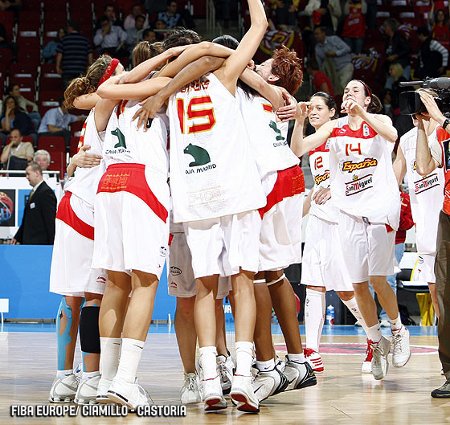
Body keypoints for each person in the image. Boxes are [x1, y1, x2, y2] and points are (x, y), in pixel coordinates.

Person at [291, 79, 411, 381]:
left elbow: (393, 134)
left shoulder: (379, 120)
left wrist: (362, 114)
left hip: (380, 208)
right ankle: (375, 341)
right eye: (346, 90)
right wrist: (299, 121)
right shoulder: (335, 128)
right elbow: (299, 148)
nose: (349, 93)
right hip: (349, 212)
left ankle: (398, 330)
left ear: (367, 99)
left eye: (356, 90)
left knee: (376, 279)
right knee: (357, 285)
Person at [48, 55, 125, 405]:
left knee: (75, 298)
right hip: (85, 208)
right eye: (121, 74)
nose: (129, 78)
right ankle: (88, 379)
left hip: (80, 202)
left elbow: (78, 100)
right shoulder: (106, 103)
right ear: (107, 81)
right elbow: (85, 98)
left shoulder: (106, 108)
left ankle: (68, 378)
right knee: (87, 296)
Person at [295, 92, 371, 374]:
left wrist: (336, 190)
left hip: (342, 219)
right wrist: (294, 218)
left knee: (345, 289)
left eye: (318, 108)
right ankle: (312, 350)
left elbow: (358, 175)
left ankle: (374, 338)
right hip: (318, 219)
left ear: (332, 113)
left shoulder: (341, 137)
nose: (313, 111)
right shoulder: (313, 144)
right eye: (310, 107)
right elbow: (316, 187)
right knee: (313, 283)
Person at [413, 91, 450, 397]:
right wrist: (419, 128)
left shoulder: (445, 122)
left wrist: (439, 116)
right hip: (448, 216)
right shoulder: (441, 129)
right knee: (446, 299)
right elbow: (424, 167)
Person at [393, 114, 443, 319]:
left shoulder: (444, 133)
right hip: (424, 224)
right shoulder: (406, 140)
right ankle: (445, 337)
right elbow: (392, 180)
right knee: (434, 287)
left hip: (445, 215)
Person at [11, 162, 56, 245]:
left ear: (37, 173)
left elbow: (50, 221)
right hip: (30, 243)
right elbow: (27, 220)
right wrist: (17, 236)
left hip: (40, 244)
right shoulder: (34, 192)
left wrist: (52, 244)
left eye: (28, 174)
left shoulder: (46, 192)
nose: (26, 177)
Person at [314, 26, 353, 94]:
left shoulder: (334, 39)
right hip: (332, 72)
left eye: (317, 34)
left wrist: (336, 53)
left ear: (323, 33)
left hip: (345, 66)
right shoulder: (317, 48)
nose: (316, 36)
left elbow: (347, 48)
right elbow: (320, 64)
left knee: (342, 86)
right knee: (336, 91)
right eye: (315, 34)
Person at [56, 21, 93, 89]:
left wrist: (58, 66)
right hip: (81, 70)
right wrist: (89, 65)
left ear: (70, 28)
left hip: (67, 70)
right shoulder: (85, 40)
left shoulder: (64, 40)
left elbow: (59, 54)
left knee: (67, 92)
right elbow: (90, 54)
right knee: (79, 92)